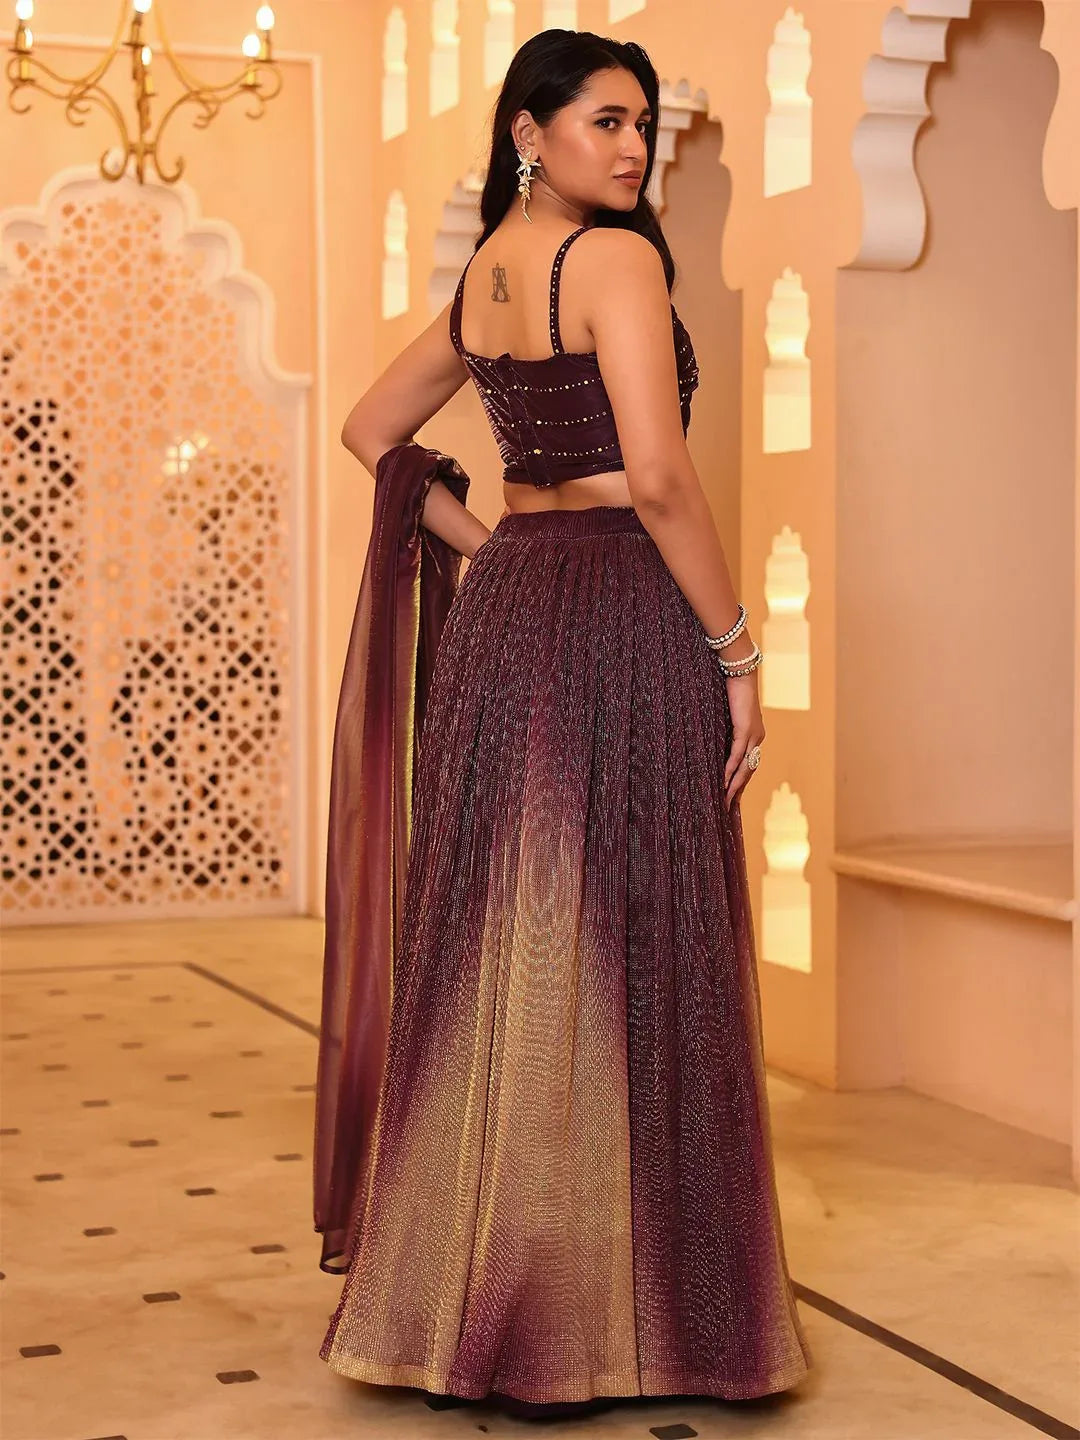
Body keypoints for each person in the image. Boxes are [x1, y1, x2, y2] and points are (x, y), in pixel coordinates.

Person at [315, 27, 814, 1414]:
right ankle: (630, 1321)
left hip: (512, 615)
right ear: (528, 131)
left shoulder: (486, 274)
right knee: (634, 942)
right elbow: (658, 478)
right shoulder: (616, 261)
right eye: (606, 121)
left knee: (509, 946)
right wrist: (734, 646)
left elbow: (369, 427)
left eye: (643, 125)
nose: (634, 149)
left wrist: (481, 545)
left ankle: (461, 1308)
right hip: (620, 614)